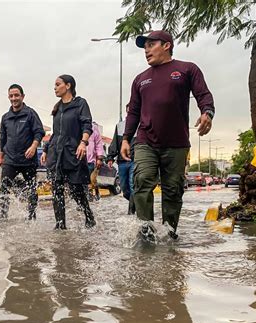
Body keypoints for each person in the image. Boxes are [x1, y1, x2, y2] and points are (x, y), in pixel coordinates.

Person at [121, 30, 215, 240]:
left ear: (167, 45)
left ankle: (169, 232)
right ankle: (146, 232)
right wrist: (126, 138)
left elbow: (203, 94)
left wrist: (207, 112)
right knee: (143, 180)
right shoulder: (140, 79)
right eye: (145, 47)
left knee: (173, 190)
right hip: (145, 140)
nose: (146, 50)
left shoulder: (186, 69)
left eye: (151, 45)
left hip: (177, 142)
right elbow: (134, 111)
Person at [41, 74, 96, 230]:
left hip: (73, 153)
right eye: (55, 85)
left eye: (58, 84)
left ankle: (88, 216)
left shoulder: (80, 104)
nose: (55, 88)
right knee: (56, 189)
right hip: (56, 155)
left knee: (76, 190)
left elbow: (87, 125)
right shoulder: (57, 109)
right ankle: (60, 224)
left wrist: (83, 143)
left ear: (68, 85)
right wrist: (46, 149)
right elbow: (55, 133)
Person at [0, 84, 45, 220]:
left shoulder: (30, 113)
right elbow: (2, 138)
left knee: (31, 189)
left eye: (16, 95)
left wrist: (34, 146)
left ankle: (32, 215)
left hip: (27, 159)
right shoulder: (5, 117)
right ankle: (3, 215)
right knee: (4, 188)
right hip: (10, 159)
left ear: (22, 96)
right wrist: (1, 156)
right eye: (11, 96)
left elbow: (39, 132)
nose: (14, 98)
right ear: (8, 97)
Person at [107, 104, 137, 214]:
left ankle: (131, 213)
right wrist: (110, 157)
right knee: (125, 190)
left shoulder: (142, 124)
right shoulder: (120, 126)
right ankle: (138, 205)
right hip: (122, 162)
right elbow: (115, 142)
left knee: (133, 185)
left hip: (135, 160)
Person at [86, 121, 104, 201]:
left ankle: (94, 194)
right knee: (82, 182)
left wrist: (99, 158)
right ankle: (86, 199)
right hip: (78, 160)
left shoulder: (93, 128)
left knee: (91, 181)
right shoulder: (75, 124)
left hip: (90, 160)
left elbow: (99, 144)